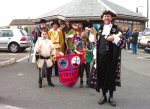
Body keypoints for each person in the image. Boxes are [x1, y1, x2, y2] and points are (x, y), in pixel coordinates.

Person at [96, 10, 123, 106]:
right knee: (102, 76)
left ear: (111, 18)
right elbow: (97, 43)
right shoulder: (100, 28)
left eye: (108, 16)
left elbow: (121, 38)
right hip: (101, 57)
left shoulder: (115, 28)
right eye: (105, 16)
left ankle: (111, 96)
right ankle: (104, 95)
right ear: (102, 18)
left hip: (112, 58)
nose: (106, 18)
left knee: (111, 76)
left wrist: (114, 37)